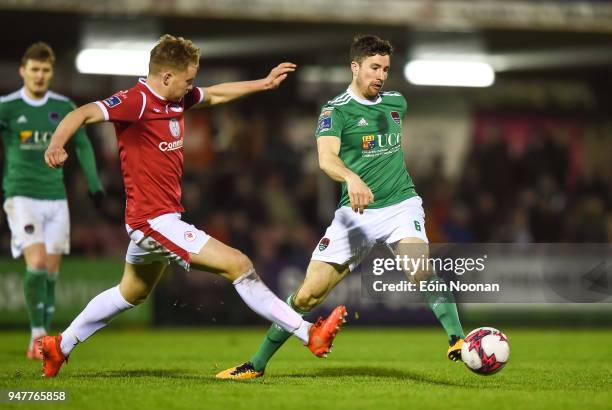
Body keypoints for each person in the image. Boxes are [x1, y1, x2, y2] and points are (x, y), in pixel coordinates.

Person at [40, 34, 346, 378]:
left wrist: (263, 83)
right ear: (166, 76)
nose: (192, 87)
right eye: (188, 80)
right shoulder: (135, 102)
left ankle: (59, 346)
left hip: (159, 220)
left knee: (131, 293)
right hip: (152, 221)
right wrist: (55, 144)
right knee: (238, 264)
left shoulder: (177, 99)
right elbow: (81, 113)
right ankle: (308, 334)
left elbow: (215, 94)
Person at [217, 35, 465, 380]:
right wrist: (350, 177)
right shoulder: (335, 111)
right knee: (307, 295)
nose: (380, 75)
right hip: (355, 215)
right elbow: (326, 159)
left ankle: (457, 339)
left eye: (386, 69)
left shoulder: (396, 103)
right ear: (355, 67)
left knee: (418, 268)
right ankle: (256, 365)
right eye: (374, 67)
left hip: (401, 205)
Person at [0, 42, 104, 360]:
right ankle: (37, 334)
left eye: (45, 70)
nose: (40, 75)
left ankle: (43, 341)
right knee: (38, 265)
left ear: (51, 72)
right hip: (21, 194)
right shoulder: (7, 106)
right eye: (34, 69)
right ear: (23, 71)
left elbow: (83, 142)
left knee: (52, 273)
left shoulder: (63, 105)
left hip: (56, 198)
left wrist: (94, 182)